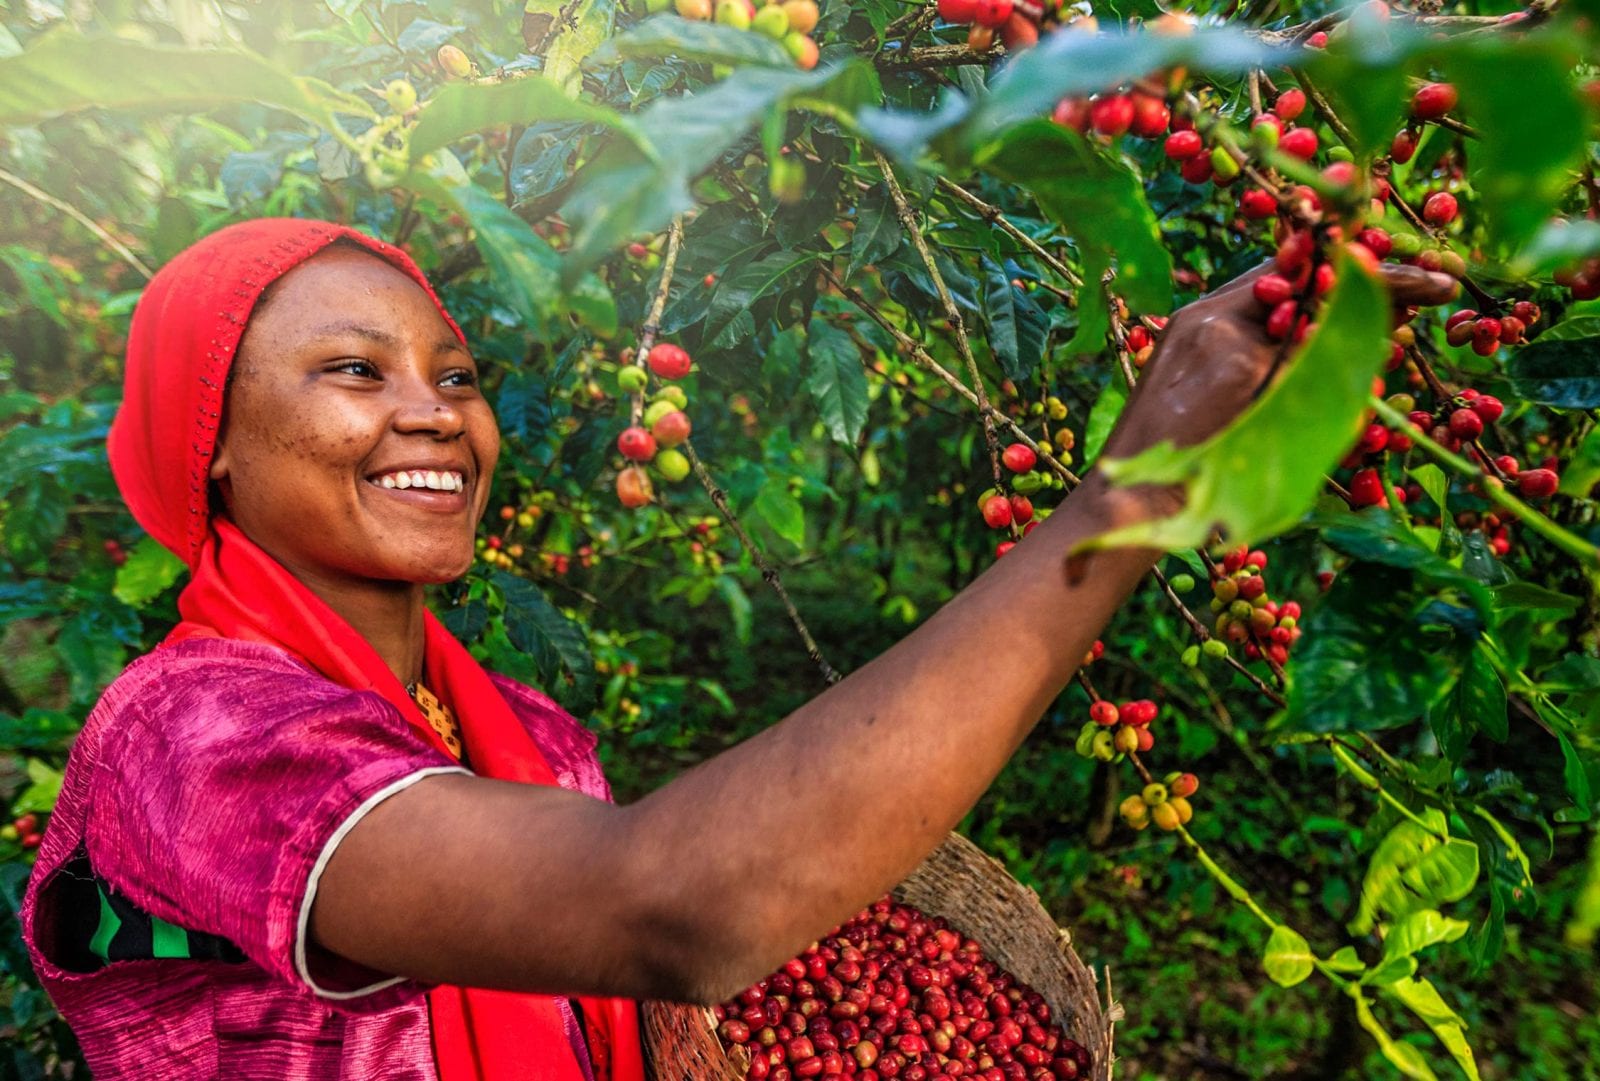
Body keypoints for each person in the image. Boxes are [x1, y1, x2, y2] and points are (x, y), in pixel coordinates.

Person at [21, 217, 1460, 1079]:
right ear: (207, 445)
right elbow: (676, 907)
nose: (436, 413)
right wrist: (1135, 485)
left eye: (457, 374)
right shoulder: (187, 737)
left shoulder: (522, 728)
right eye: (354, 371)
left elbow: (636, 972)